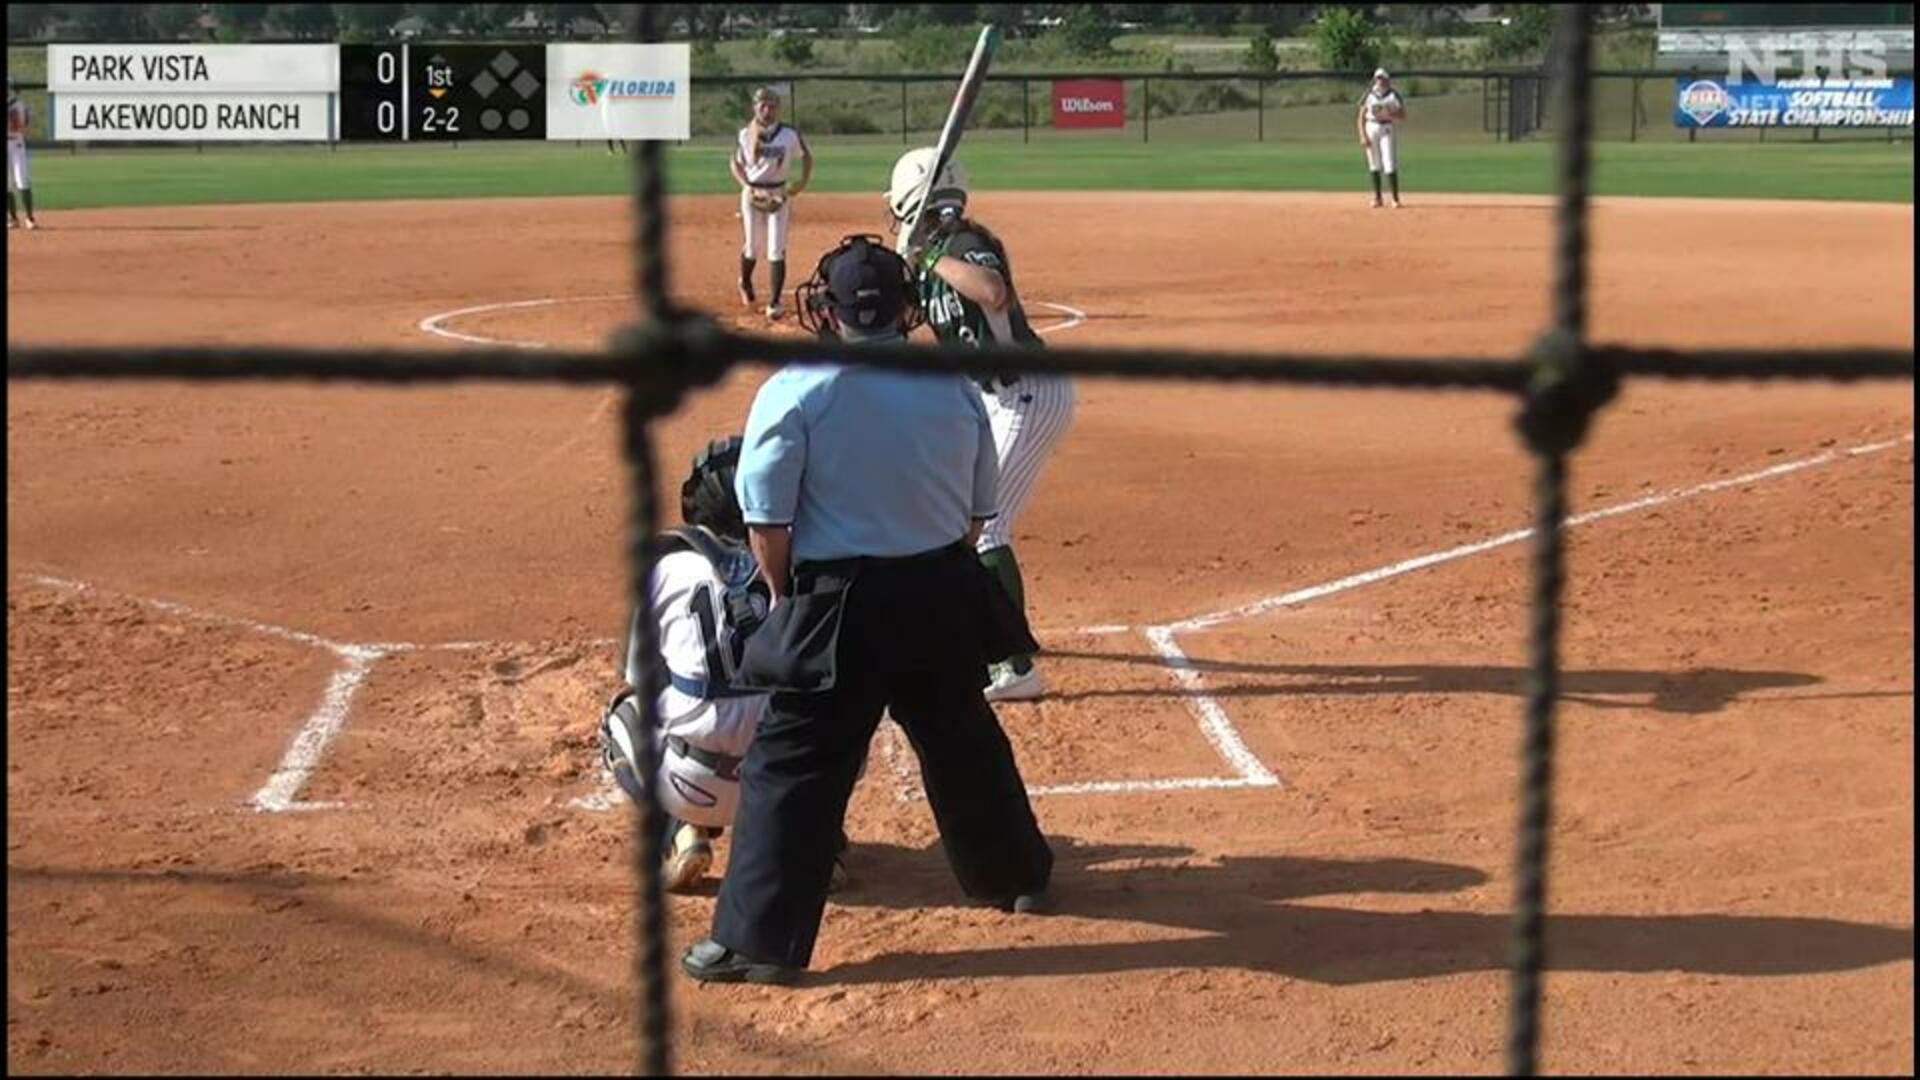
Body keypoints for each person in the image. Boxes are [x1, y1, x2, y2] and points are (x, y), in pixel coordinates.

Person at [680, 235, 1054, 985]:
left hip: (839, 600)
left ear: (831, 311)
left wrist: (790, 600)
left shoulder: (797, 389)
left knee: (794, 763)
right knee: (963, 741)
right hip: (942, 590)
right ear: (906, 307)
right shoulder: (952, 384)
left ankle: (756, 944)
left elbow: (767, 524)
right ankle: (1016, 878)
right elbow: (979, 515)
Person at [597, 436, 850, 894]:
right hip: (785, 776)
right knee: (842, 702)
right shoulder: (810, 562)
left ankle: (680, 831)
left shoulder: (666, 568)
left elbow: (636, 677)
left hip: (691, 783)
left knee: (620, 717)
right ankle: (815, 838)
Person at [887, 147, 1074, 702]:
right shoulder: (934, 259)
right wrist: (905, 269)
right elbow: (907, 321)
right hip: (997, 400)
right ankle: (975, 625)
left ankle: (1017, 668)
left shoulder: (966, 246)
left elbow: (993, 293)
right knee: (953, 515)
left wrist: (926, 260)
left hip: (1028, 395)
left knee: (987, 525)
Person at [730, 86, 813, 320]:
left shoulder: (788, 134)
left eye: (772, 105)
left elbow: (806, 157)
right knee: (753, 246)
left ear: (778, 108)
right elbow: (735, 163)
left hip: (778, 193)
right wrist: (746, 185)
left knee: (776, 247)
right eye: (763, 105)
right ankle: (745, 281)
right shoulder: (746, 134)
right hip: (754, 193)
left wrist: (800, 184)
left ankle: (775, 302)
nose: (767, 110)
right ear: (755, 107)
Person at [1358, 68, 1407, 209]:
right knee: (1374, 162)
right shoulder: (1369, 94)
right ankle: (1377, 198)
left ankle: (1395, 199)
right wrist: (1362, 135)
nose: (1380, 81)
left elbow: (1403, 115)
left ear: (1387, 79)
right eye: (1378, 78)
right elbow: (1361, 116)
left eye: (1382, 78)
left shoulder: (1393, 94)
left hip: (1386, 128)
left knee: (1389, 162)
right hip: (1371, 126)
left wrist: (1391, 114)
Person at [7, 75, 37, 230]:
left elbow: (24, 125)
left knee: (22, 180)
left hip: (16, 144)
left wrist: (20, 124)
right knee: (7, 185)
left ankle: (30, 218)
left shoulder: (18, 104)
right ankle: (12, 219)